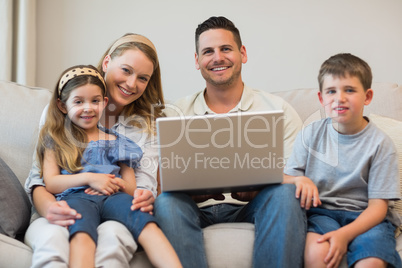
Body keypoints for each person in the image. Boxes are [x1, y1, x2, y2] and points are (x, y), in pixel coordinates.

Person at [154, 16, 306, 267]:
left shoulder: (277, 109)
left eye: (225, 49)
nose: (217, 58)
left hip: (254, 206)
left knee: (287, 194)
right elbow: (160, 186)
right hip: (193, 209)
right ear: (197, 61)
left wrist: (257, 185)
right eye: (208, 51)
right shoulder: (174, 113)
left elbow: (298, 177)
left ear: (242, 53)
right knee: (166, 202)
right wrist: (193, 191)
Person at [24, 34, 167, 267]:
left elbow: (142, 185)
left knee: (113, 240)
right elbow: (39, 179)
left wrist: (144, 196)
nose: (132, 84)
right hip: (59, 205)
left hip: (117, 209)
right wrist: (52, 209)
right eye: (126, 70)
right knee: (54, 239)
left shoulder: (147, 128)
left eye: (142, 78)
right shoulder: (63, 114)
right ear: (107, 62)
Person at [283, 53, 402, 268]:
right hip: (321, 214)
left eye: (349, 90)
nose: (340, 98)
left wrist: (344, 235)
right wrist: (298, 181)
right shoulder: (309, 135)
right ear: (321, 99)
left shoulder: (381, 145)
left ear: (367, 96)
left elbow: (378, 208)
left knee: (371, 263)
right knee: (316, 253)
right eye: (331, 91)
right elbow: (287, 178)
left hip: (367, 218)